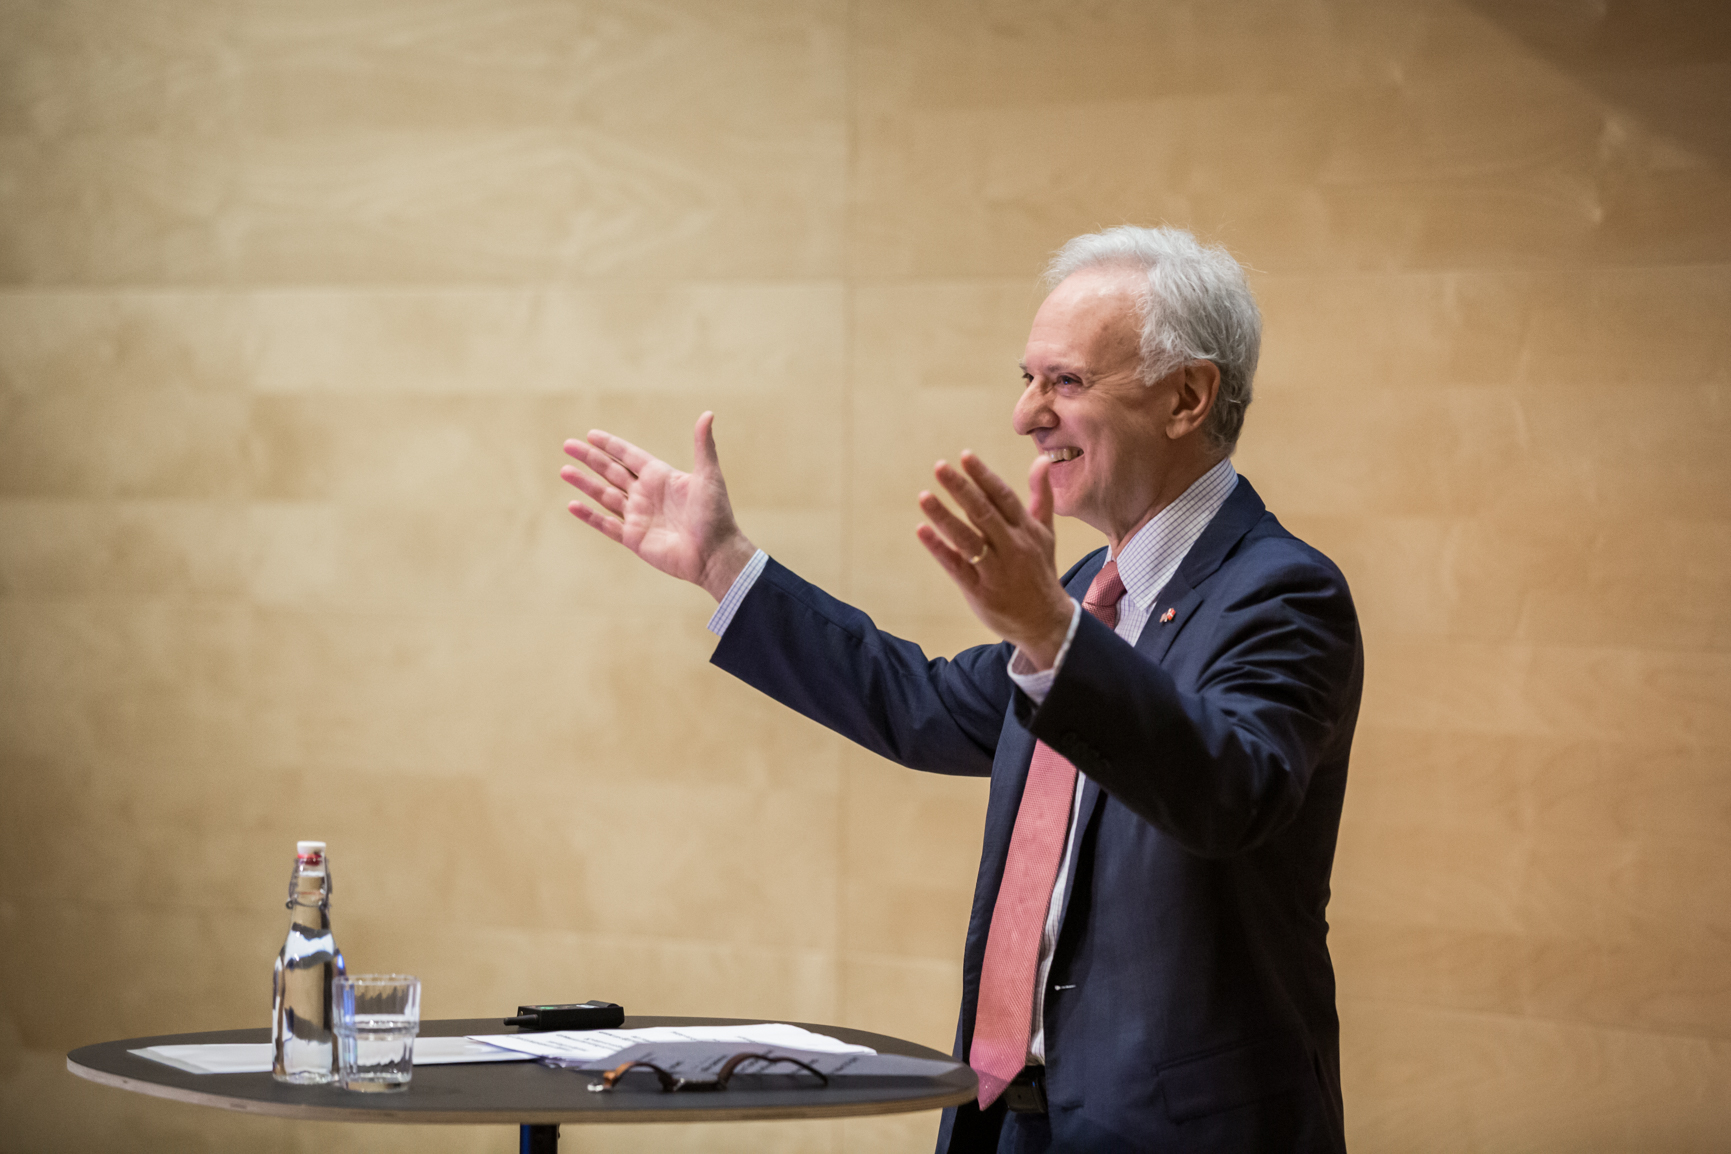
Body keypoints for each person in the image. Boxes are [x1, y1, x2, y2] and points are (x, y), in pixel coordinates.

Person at [561, 225, 1362, 1153]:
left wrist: (1051, 635)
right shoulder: (1088, 595)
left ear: (1186, 397)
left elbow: (1231, 791)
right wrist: (723, 565)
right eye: (1026, 379)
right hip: (1013, 1121)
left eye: (1064, 382)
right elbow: (923, 705)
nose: (1025, 415)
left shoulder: (1279, 592)